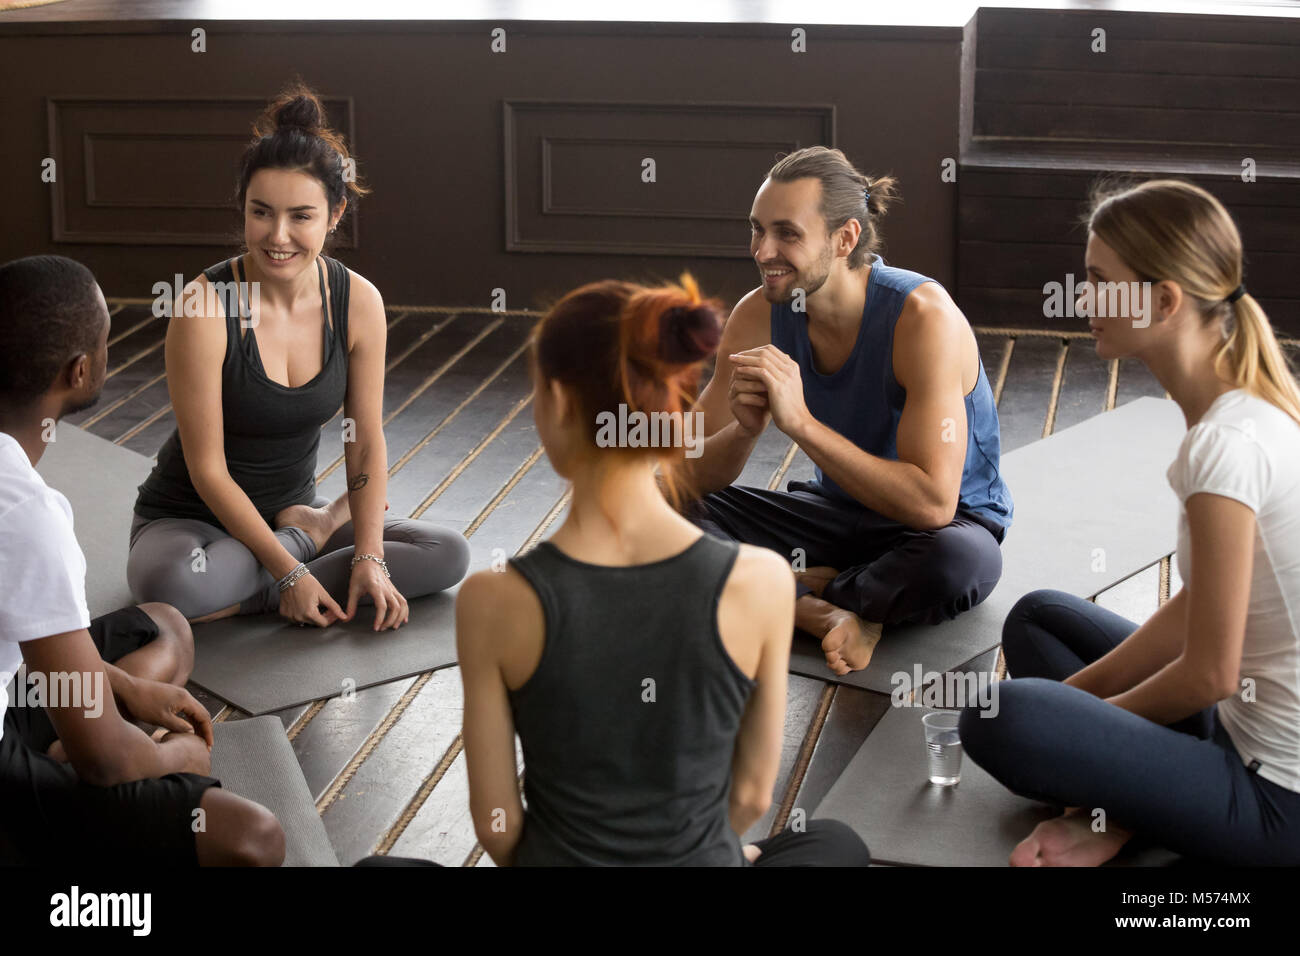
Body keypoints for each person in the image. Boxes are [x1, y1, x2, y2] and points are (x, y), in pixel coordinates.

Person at [453, 274, 872, 866]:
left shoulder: (491, 598)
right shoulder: (763, 580)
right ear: (677, 410)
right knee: (834, 844)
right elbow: (751, 794)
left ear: (556, 405)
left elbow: (498, 830)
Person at [958, 179, 1300, 866]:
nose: (1083, 300)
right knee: (1038, 619)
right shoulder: (1244, 411)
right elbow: (1199, 604)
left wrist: (1087, 729)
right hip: (1230, 730)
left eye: (1098, 282)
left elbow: (1209, 676)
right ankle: (1130, 797)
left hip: (1275, 797)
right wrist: (1075, 708)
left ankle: (1126, 810)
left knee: (999, 715)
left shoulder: (1224, 446)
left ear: (1165, 300)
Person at [127, 83, 469, 629]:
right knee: (168, 586)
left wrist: (370, 557)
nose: (277, 236)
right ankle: (305, 548)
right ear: (242, 207)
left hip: (285, 506)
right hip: (192, 523)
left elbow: (365, 441)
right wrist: (289, 571)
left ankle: (283, 569)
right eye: (261, 212)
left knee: (447, 552)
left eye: (301, 217)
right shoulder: (203, 307)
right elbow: (209, 471)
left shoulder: (357, 301)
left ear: (335, 215)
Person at [683, 146, 1012, 675]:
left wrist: (803, 426)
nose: (763, 250)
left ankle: (813, 587)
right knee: (658, 510)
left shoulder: (923, 318)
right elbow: (681, 475)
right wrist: (744, 432)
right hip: (838, 513)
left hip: (940, 531)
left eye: (787, 233)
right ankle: (819, 610)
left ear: (846, 238)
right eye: (756, 229)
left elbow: (932, 505)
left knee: (959, 563)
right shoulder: (758, 316)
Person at [0, 254, 284, 865]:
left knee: (166, 624)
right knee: (255, 840)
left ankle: (70, 745)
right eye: (105, 340)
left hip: (17, 691)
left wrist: (122, 683)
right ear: (80, 370)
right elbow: (109, 763)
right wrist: (174, 756)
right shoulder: (25, 514)